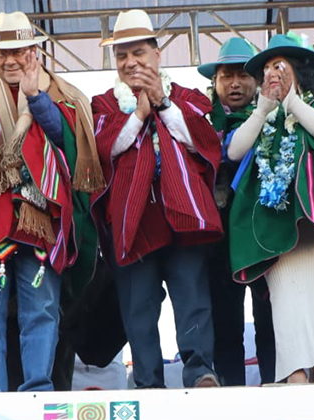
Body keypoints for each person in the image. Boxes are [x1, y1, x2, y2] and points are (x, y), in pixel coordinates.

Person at [0, 12, 102, 392]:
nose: (10, 60)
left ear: (34, 51)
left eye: (19, 51)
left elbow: (70, 144)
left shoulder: (61, 94)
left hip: (38, 218)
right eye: (3, 52)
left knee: (40, 309)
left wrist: (36, 99)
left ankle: (38, 388)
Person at [91, 10, 223, 389]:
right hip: (133, 219)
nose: (130, 62)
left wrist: (162, 103)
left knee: (192, 297)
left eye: (138, 53)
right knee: (138, 309)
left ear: (157, 53)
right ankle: (148, 383)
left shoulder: (186, 96)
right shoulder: (104, 103)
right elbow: (106, 148)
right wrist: (139, 115)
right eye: (121, 55)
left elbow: (201, 140)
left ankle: (200, 373)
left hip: (181, 213)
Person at [227, 33, 314, 384]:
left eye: (279, 65)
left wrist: (293, 104)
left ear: (299, 70)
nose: (271, 73)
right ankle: (296, 375)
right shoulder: (260, 119)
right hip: (275, 229)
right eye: (267, 68)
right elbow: (234, 152)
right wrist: (262, 111)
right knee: (285, 305)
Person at [199, 37, 275, 386]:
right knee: (224, 324)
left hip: (262, 235)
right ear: (214, 83)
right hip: (217, 241)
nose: (235, 84)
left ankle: (276, 389)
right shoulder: (199, 121)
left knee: (269, 320)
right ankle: (230, 396)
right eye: (226, 76)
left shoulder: (275, 117)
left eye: (244, 76)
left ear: (257, 81)